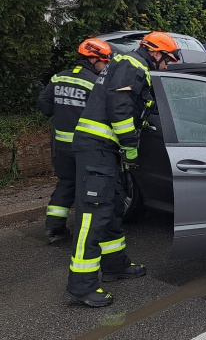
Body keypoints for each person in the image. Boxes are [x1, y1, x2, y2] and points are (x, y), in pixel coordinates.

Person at [64, 31, 181, 307]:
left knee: (111, 205)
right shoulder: (134, 66)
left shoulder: (128, 66)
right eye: (168, 61)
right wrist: (130, 143)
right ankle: (81, 286)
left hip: (104, 149)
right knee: (92, 214)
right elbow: (119, 107)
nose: (167, 66)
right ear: (156, 53)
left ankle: (115, 265)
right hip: (97, 148)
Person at [37, 39, 112, 242]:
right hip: (85, 146)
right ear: (94, 59)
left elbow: (44, 105)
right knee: (88, 188)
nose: (106, 67)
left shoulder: (58, 78)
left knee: (66, 182)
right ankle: (88, 234)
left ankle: (54, 228)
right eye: (105, 62)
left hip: (60, 145)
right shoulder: (96, 84)